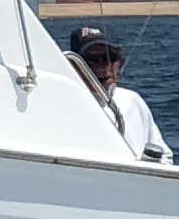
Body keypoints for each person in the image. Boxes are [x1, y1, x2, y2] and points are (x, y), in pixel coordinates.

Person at [67, 26, 169, 162]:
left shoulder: (132, 100)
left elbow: (165, 157)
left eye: (109, 58)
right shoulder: (65, 103)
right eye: (91, 59)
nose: (102, 66)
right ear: (74, 65)